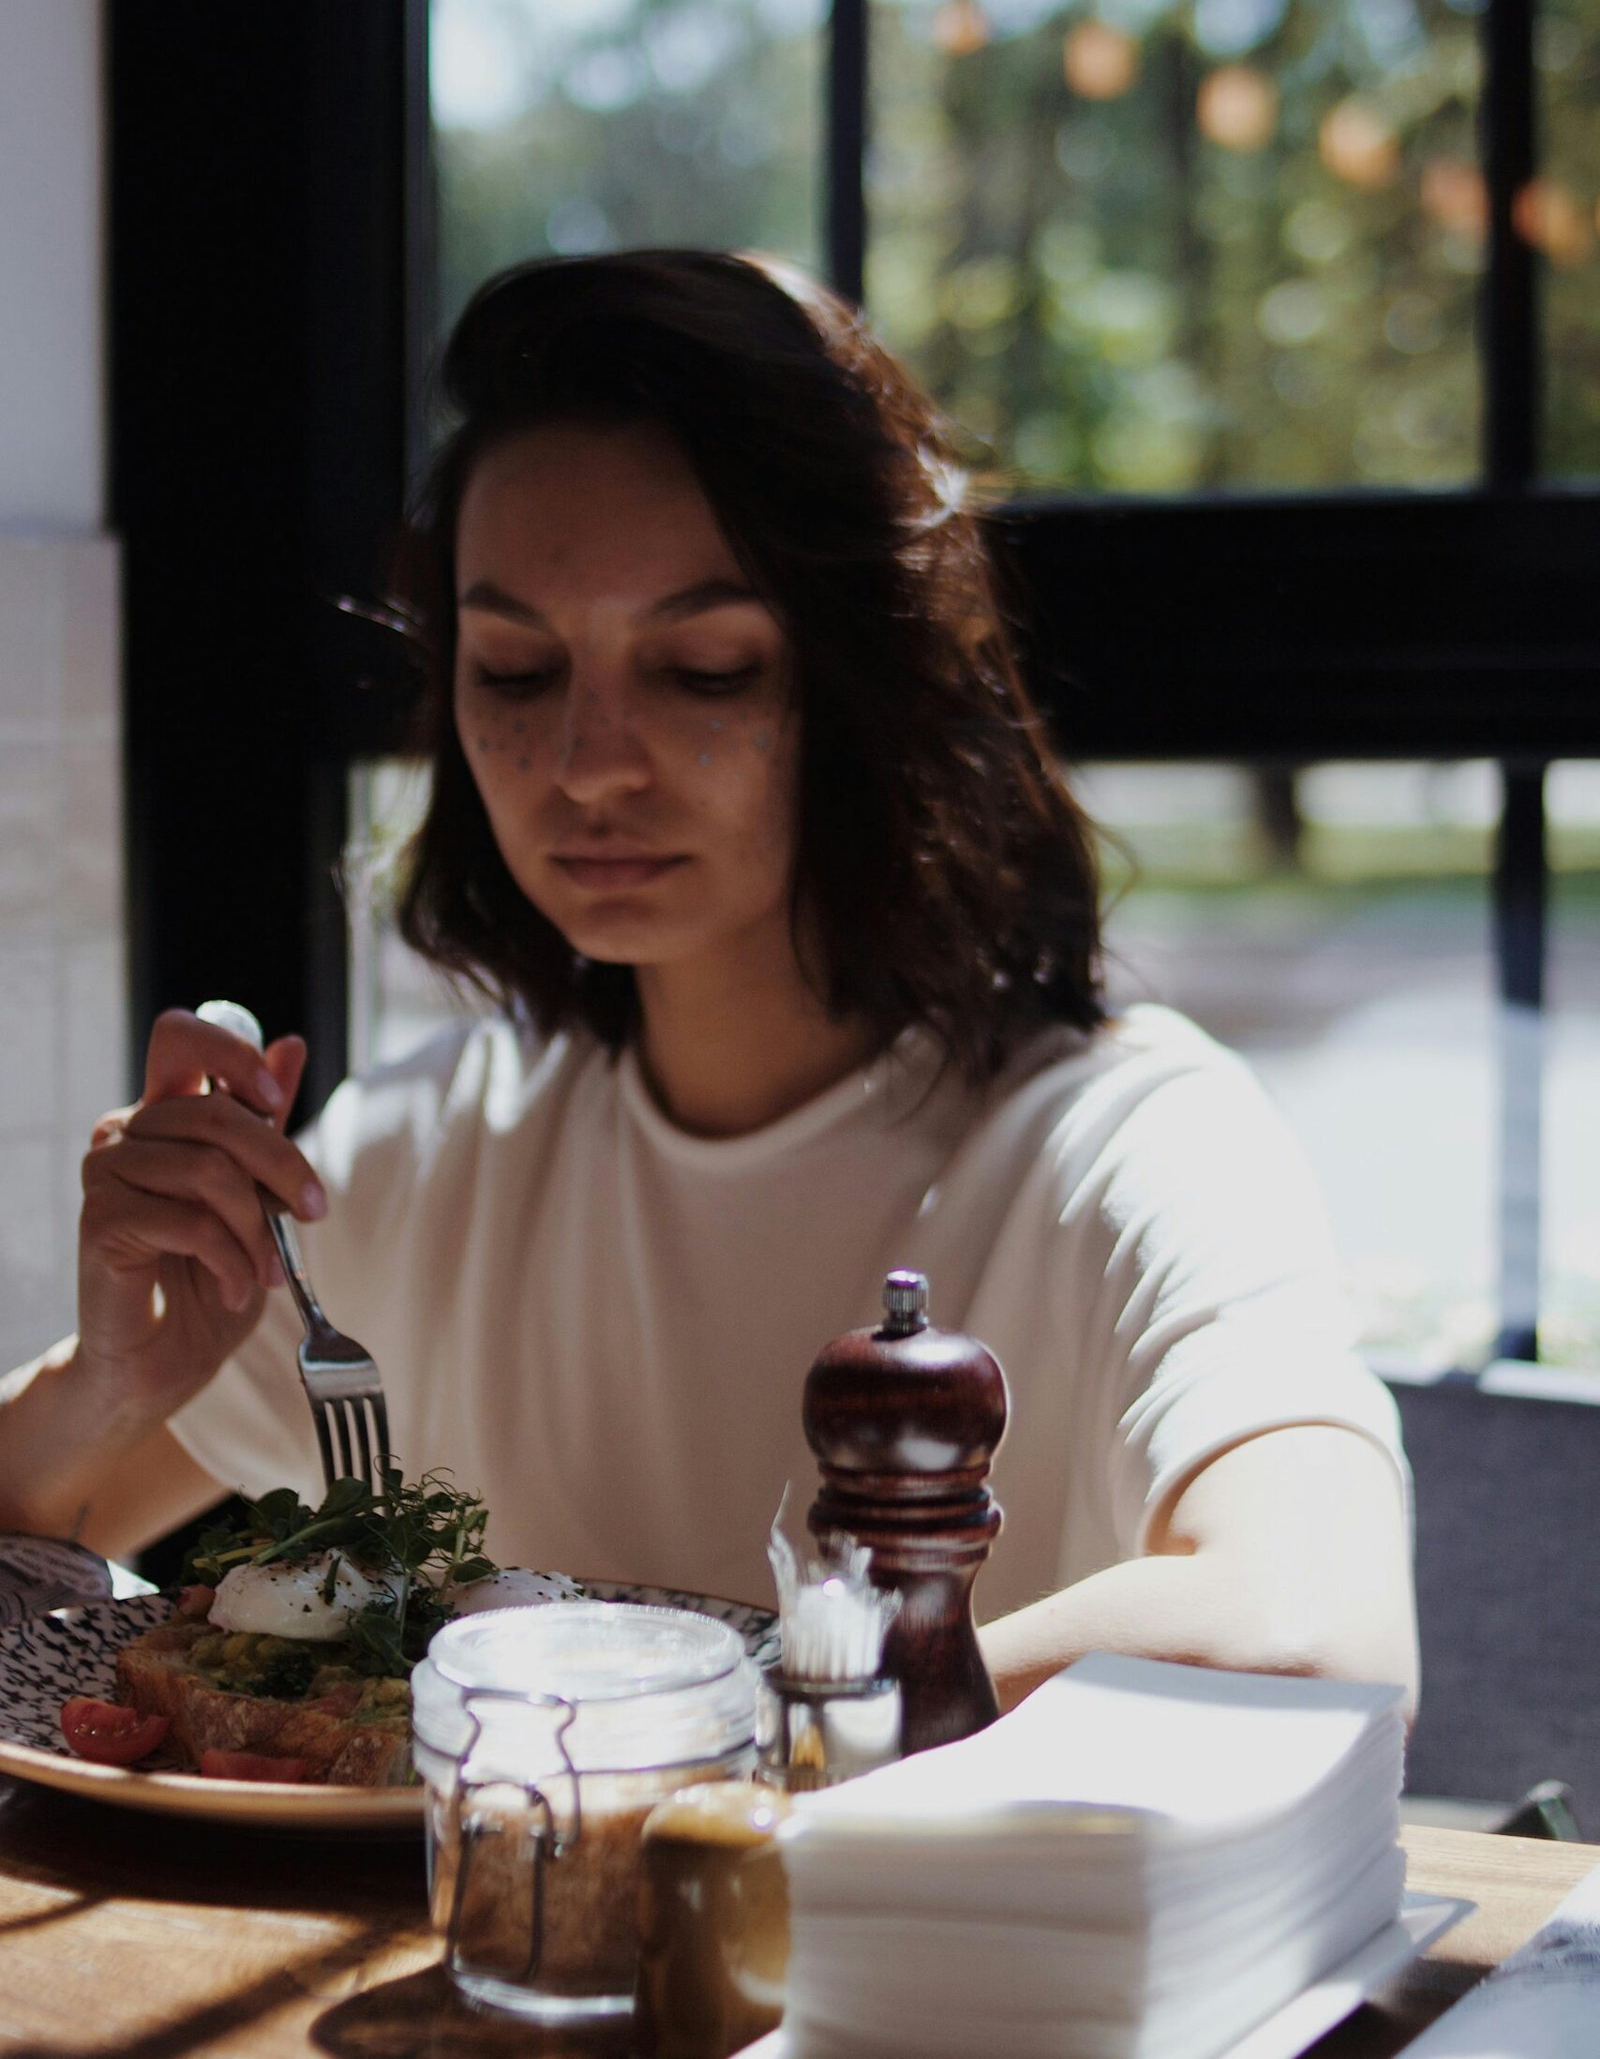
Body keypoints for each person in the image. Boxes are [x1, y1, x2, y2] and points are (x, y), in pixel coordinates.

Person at [0, 251, 1417, 1713]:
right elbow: (39, 1529)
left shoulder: (1123, 1146)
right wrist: (105, 1392)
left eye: (705, 668)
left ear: (861, 682)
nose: (590, 764)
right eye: (516, 671)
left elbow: (1314, 1634)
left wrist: (707, 1743)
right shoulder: (423, 1161)